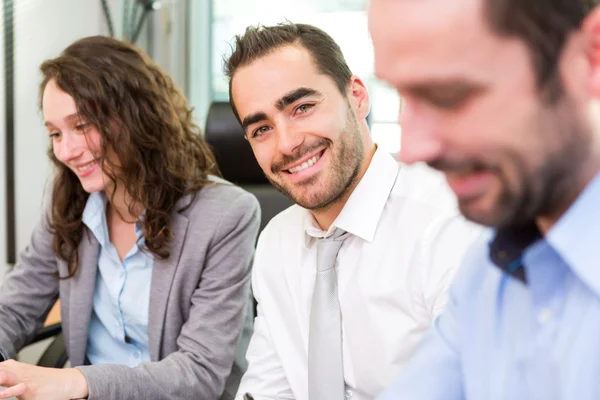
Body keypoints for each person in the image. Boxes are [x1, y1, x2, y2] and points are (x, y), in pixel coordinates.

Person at [224, 23, 482, 400]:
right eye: (262, 129)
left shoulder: (449, 223)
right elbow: (269, 387)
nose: (288, 144)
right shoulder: (276, 243)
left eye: (303, 107)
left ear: (357, 97)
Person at [0, 36, 260, 400]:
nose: (67, 151)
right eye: (56, 133)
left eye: (82, 125)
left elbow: (199, 372)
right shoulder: (69, 203)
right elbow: (14, 306)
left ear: (136, 116)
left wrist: (76, 383)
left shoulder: (226, 215)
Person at [369, 0, 600, 399]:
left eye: (448, 95)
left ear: (591, 58)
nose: (411, 150)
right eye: (402, 96)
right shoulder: (487, 273)